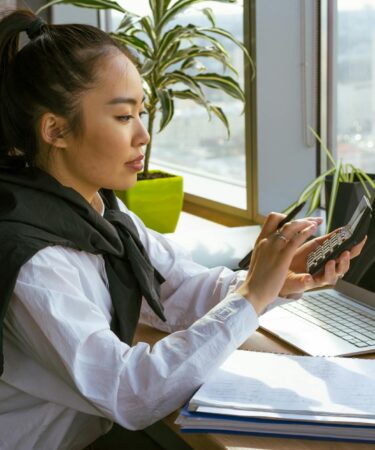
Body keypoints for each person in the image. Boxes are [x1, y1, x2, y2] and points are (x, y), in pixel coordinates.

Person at [0, 9, 365, 450]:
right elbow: (130, 392)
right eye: (122, 117)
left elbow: (178, 289)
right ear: (55, 130)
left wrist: (277, 279)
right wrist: (251, 295)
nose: (143, 135)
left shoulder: (97, 213)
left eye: (142, 111)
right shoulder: (34, 261)